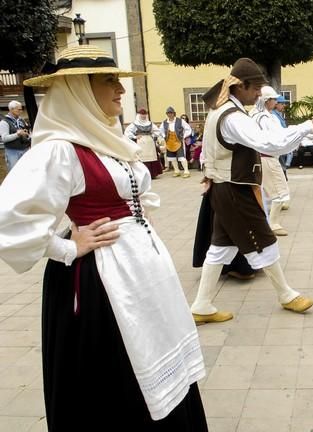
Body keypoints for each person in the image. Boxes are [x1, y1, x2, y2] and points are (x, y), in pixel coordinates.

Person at [0, 45, 208, 430]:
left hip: (139, 273)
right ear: (79, 90)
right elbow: (7, 219)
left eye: (118, 79)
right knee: (117, 373)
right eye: (108, 80)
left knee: (154, 355)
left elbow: (133, 193)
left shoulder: (107, 141)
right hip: (102, 283)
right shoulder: (59, 150)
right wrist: (65, 246)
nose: (120, 89)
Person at [189, 57, 313, 323]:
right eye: (256, 87)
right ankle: (285, 294)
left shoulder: (220, 111)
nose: (259, 93)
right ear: (241, 85)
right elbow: (268, 142)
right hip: (235, 190)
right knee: (263, 241)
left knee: (220, 247)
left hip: (225, 188)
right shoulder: (232, 117)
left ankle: (202, 304)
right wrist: (308, 126)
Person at [251, 86, 292, 236]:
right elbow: (276, 137)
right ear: (267, 101)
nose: (276, 102)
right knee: (280, 192)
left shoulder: (259, 115)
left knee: (267, 192)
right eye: (274, 99)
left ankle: (267, 222)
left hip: (263, 157)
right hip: (267, 157)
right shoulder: (264, 117)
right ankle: (273, 224)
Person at [124, 108, 164, 179]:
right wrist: (135, 136)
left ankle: (153, 173)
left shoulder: (150, 124)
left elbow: (157, 131)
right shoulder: (134, 124)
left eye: (145, 115)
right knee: (142, 158)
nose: (143, 116)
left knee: (152, 157)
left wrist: (153, 135)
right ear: (139, 115)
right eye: (142, 115)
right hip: (140, 142)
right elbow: (127, 132)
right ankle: (144, 174)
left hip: (150, 143)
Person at [160, 106, 192, 178]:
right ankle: (176, 170)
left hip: (178, 141)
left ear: (174, 113)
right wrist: (164, 136)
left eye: (171, 113)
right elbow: (160, 131)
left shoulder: (180, 121)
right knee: (172, 157)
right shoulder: (164, 122)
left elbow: (188, 129)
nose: (170, 114)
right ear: (166, 114)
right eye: (168, 113)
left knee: (181, 156)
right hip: (169, 142)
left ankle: (186, 171)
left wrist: (183, 136)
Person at [0, 100, 31, 171]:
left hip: (25, 150)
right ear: (11, 109)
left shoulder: (21, 120)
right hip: (12, 152)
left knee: (26, 172)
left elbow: (26, 132)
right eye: (19, 109)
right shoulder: (4, 122)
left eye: (21, 109)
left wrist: (26, 134)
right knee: (14, 173)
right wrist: (17, 134)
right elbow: (4, 138)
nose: (21, 111)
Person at [273, 95, 293, 170]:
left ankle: (286, 166)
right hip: (278, 142)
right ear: (276, 104)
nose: (284, 105)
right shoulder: (273, 115)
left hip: (283, 141)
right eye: (282, 104)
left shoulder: (279, 114)